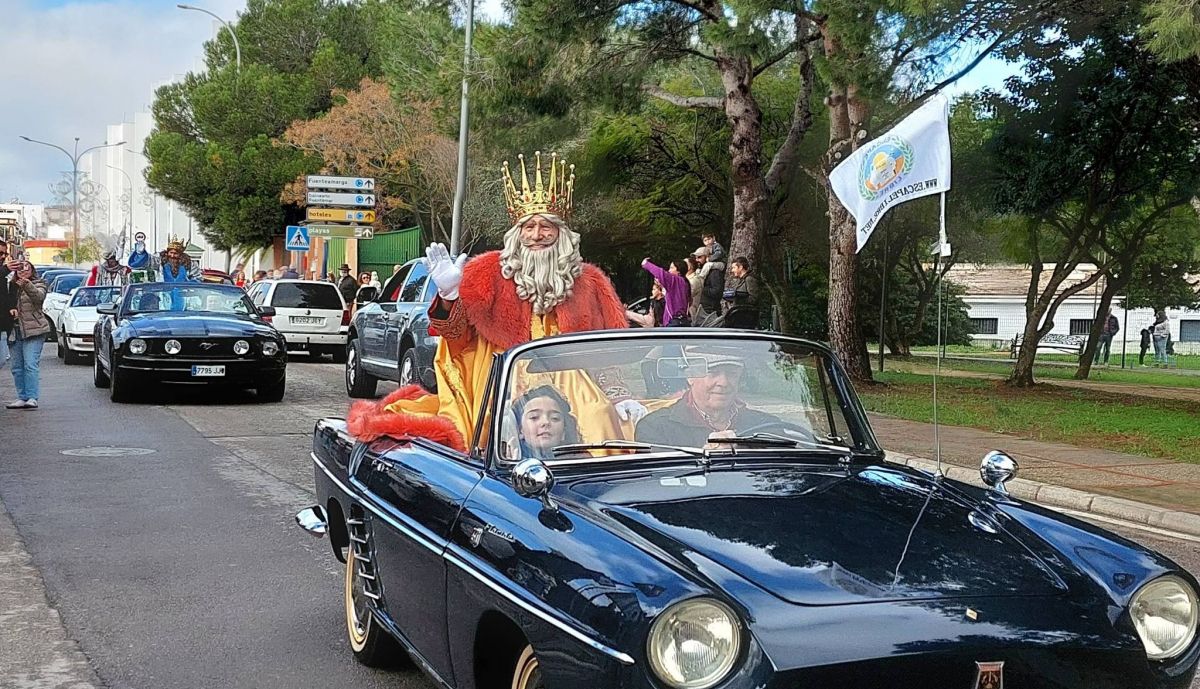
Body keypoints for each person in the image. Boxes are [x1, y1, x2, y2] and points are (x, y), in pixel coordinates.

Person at [348, 151, 640, 450]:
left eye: (546, 227)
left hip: (570, 380)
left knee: (598, 417)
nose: (537, 235)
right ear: (517, 233)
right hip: (501, 376)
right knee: (490, 424)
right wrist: (449, 295)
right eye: (528, 227)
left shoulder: (589, 281)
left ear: (561, 233)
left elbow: (606, 347)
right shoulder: (487, 272)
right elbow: (455, 338)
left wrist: (618, 393)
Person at [635, 352, 779, 448]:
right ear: (690, 376)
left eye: (731, 373)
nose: (723, 382)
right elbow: (656, 480)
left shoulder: (766, 425)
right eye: (713, 372)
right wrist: (706, 453)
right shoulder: (655, 427)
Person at [3, 260, 50, 409]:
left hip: (33, 330)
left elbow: (38, 297)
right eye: (19, 268)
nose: (23, 271)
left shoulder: (39, 283)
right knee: (17, 367)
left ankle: (32, 397)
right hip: (14, 331)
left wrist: (26, 284)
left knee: (30, 364)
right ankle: (22, 397)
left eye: (26, 268)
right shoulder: (10, 285)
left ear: (32, 271)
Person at [510, 385, 582, 459]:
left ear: (564, 431)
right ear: (520, 429)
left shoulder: (582, 461)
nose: (546, 422)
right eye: (534, 417)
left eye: (555, 418)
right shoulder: (509, 460)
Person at [640, 258, 690, 326]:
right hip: (683, 320)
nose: (669, 271)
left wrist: (646, 264)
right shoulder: (685, 282)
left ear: (679, 271)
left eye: (671, 268)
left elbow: (661, 273)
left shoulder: (675, 280)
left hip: (674, 322)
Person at [695, 246, 726, 325]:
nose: (696, 260)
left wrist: (701, 288)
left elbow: (717, 292)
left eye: (699, 257)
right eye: (696, 257)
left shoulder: (715, 272)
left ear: (707, 257)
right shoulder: (700, 271)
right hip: (703, 309)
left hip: (710, 311)